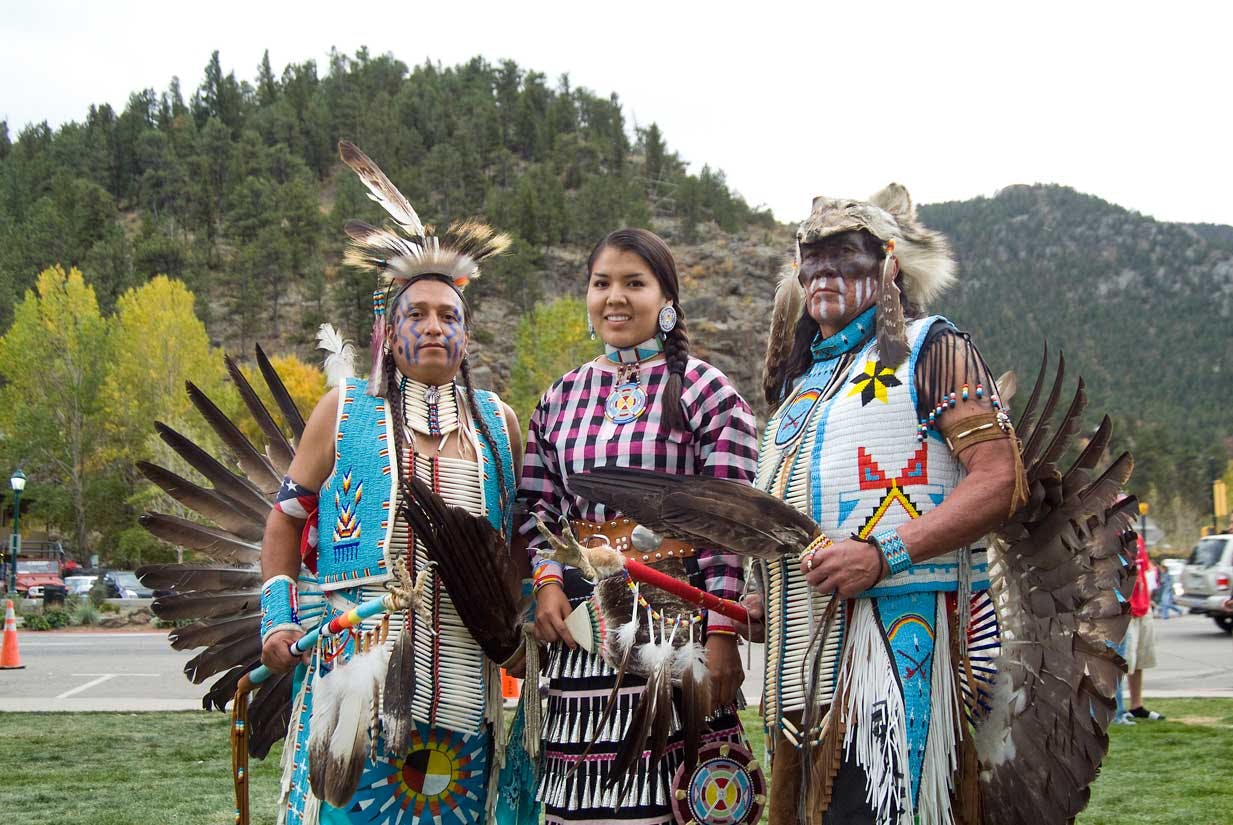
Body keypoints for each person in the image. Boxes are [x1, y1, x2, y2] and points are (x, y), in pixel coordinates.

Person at [259, 142, 527, 825]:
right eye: (418, 313)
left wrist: (523, 630)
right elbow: (286, 519)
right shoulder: (344, 411)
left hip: (468, 689)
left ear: (465, 334)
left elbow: (518, 543)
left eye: (449, 315)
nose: (435, 325)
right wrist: (278, 616)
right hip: (358, 687)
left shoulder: (498, 424)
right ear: (389, 329)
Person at [753, 186, 1024, 824]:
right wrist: (766, 593)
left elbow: (1000, 476)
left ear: (889, 263)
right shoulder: (799, 391)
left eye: (845, 254)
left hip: (898, 647)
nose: (824, 270)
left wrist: (884, 554)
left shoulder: (932, 347)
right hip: (800, 667)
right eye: (810, 256)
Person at [522, 228, 758, 825]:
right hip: (582, 635)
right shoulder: (559, 398)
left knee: (674, 796)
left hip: (676, 626)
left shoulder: (707, 391)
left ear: (666, 299)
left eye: (634, 283)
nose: (615, 298)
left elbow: (727, 525)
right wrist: (547, 578)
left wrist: (723, 633)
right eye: (602, 284)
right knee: (587, 803)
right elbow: (536, 507)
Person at [1121, 535, 1165, 721]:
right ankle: (1115, 710)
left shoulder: (1137, 539)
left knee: (1140, 660)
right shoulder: (1108, 536)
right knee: (1122, 662)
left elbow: (1145, 570)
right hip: (1124, 609)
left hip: (1143, 606)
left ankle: (1136, 706)